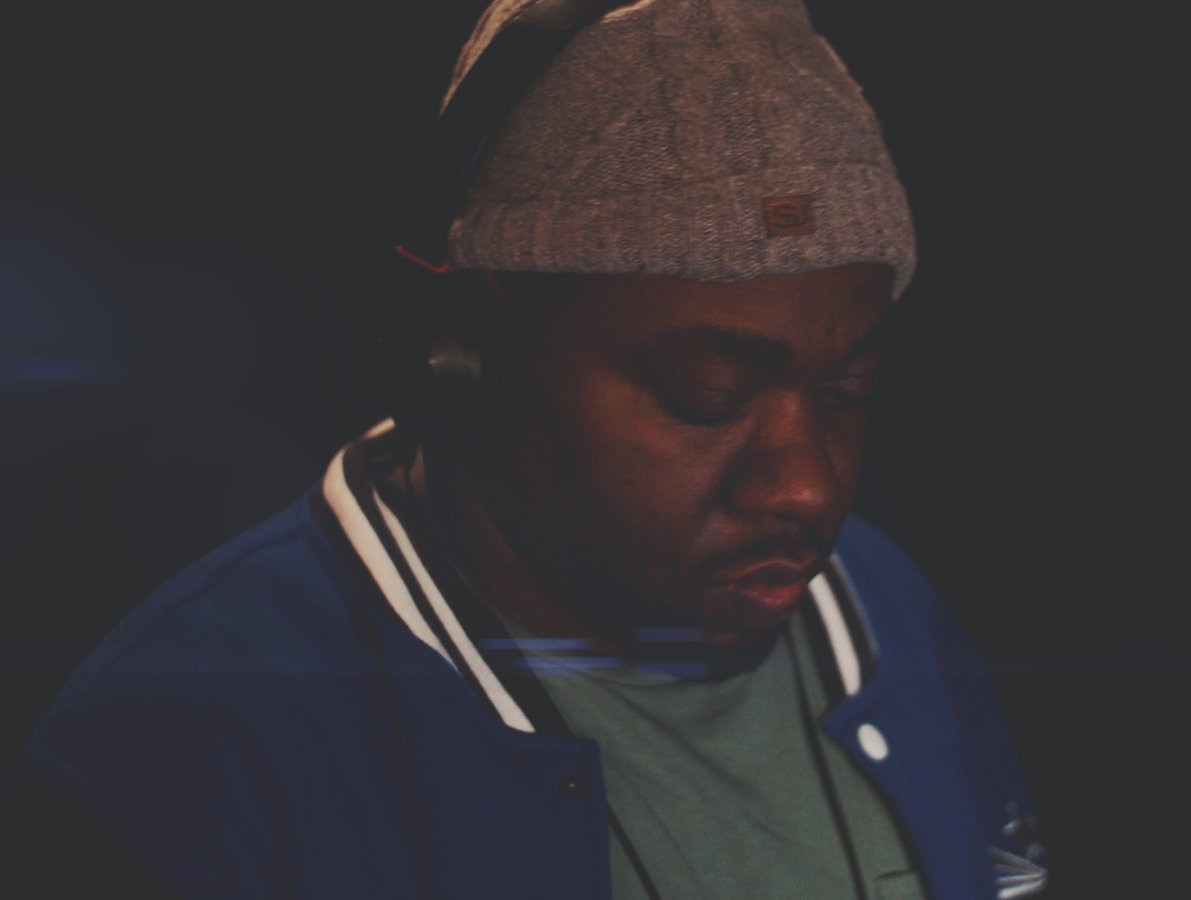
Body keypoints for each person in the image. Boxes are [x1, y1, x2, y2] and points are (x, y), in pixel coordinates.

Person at [1, 1, 1046, 897]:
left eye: (847, 391)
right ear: (467, 359)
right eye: (708, 396)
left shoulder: (879, 605)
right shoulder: (197, 733)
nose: (808, 486)